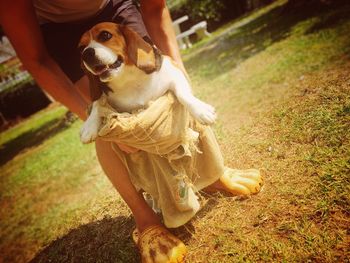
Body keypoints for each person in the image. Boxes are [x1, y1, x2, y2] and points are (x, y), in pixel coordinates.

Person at [0, 0, 262, 261]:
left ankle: (213, 175)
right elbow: (36, 59)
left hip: (116, 5)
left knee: (172, 86)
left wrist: (178, 74)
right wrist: (106, 126)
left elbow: (155, 8)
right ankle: (146, 221)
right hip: (59, 29)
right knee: (103, 117)